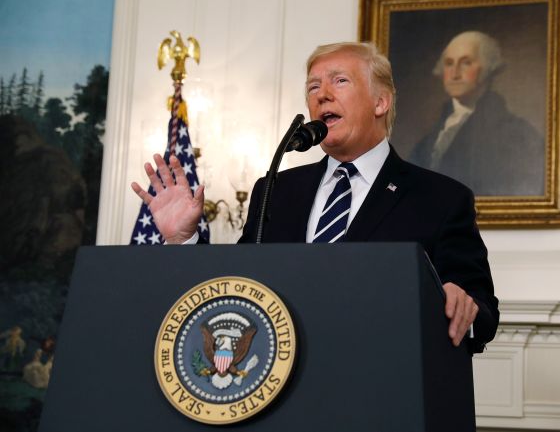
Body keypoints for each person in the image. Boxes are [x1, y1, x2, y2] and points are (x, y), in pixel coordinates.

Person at [132, 42, 499, 353]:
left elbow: (483, 316)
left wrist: (461, 304)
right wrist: (183, 240)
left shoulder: (440, 198)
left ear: (380, 103)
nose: (322, 94)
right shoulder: (275, 190)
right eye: (313, 87)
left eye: (340, 81)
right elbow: (235, 291)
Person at [410, 31, 545, 196]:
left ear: (488, 68)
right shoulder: (429, 139)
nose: (455, 73)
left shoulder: (517, 134)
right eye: (449, 63)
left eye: (466, 63)